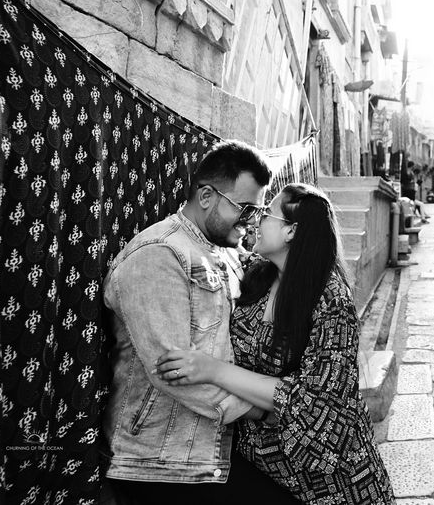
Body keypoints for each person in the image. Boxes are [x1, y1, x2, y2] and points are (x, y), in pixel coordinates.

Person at [154, 183, 394, 504]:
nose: (255, 220)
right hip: (262, 469)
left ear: (291, 232)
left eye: (267, 214)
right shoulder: (256, 278)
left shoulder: (331, 301)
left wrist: (213, 371)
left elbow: (317, 404)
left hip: (331, 482)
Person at [102, 141, 290, 503]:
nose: (251, 219)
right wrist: (260, 411)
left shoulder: (223, 253)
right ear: (206, 196)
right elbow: (173, 371)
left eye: (258, 209)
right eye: (245, 207)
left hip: (211, 448)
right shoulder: (159, 255)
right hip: (159, 461)